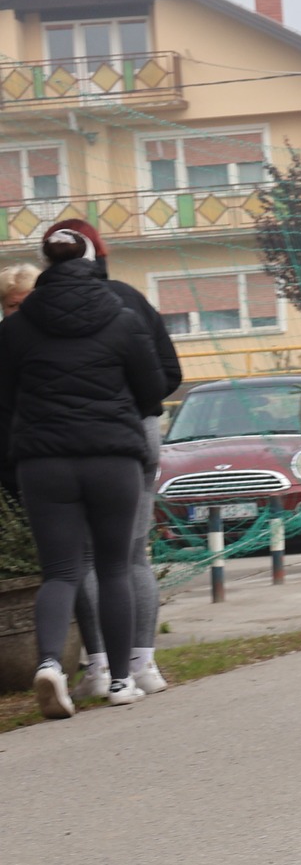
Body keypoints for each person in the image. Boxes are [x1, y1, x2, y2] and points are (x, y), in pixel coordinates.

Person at [0, 227, 166, 718]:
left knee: (60, 572)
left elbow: (4, 399)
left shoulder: (14, 328)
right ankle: (119, 681)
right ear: (93, 259)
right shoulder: (123, 317)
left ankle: (51, 664)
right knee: (115, 567)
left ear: (44, 265)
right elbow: (152, 393)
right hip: (111, 457)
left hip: (43, 462)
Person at [41, 218, 184, 698]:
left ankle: (100, 666)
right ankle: (142, 665)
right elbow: (168, 374)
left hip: (69, 442)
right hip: (136, 433)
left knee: (80, 559)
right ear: (99, 255)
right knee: (130, 556)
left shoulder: (38, 312)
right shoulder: (131, 300)